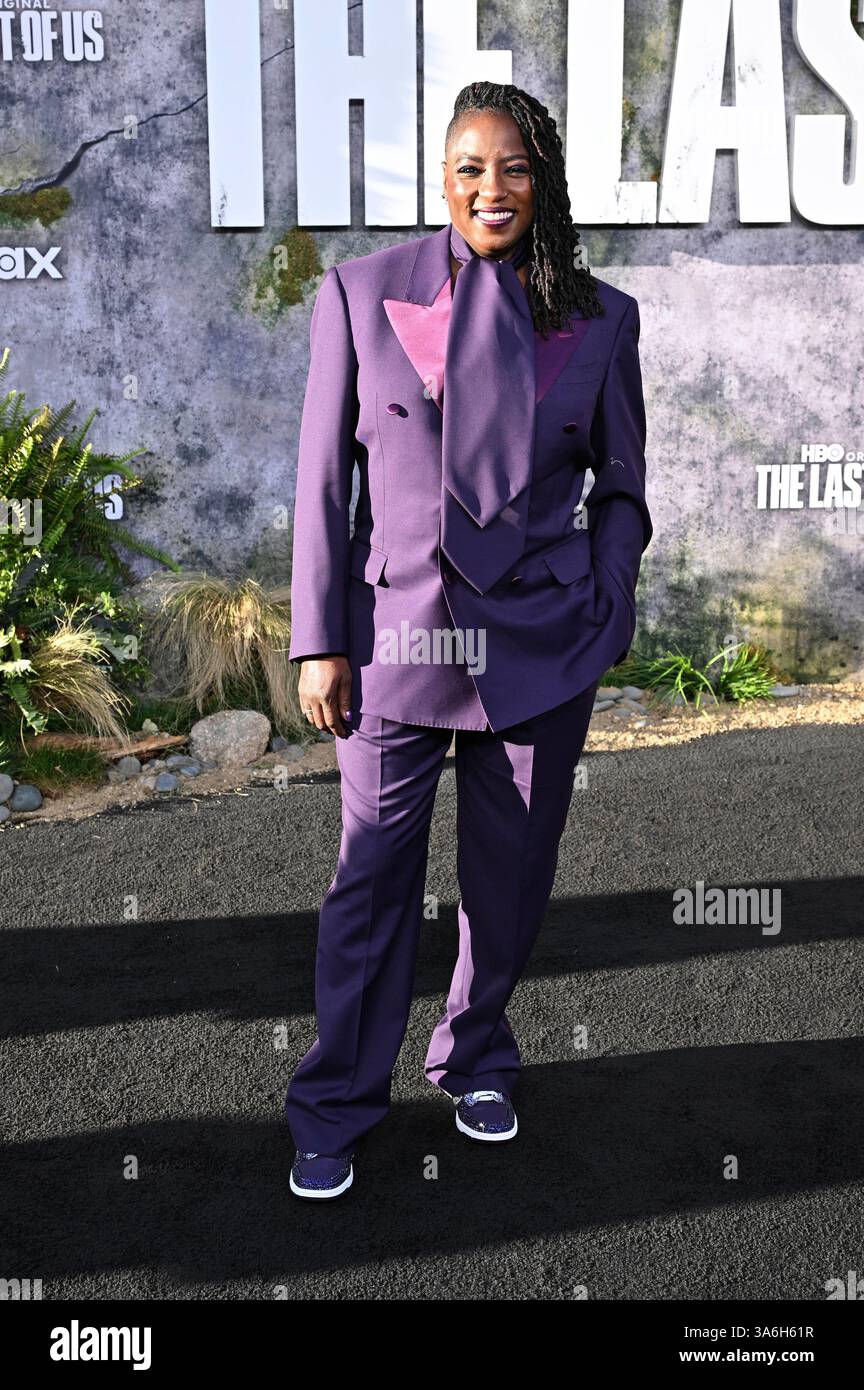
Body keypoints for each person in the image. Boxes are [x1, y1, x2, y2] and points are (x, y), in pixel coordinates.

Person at [285, 80, 652, 1199]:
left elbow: (623, 488)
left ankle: (476, 1053)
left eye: (514, 167)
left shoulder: (602, 315)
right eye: (470, 167)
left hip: (539, 646)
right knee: (370, 883)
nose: (492, 187)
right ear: (441, 180)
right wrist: (318, 639)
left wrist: (607, 600)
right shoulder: (358, 292)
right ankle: (337, 1100)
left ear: (542, 180)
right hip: (395, 643)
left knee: (509, 881)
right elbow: (320, 483)